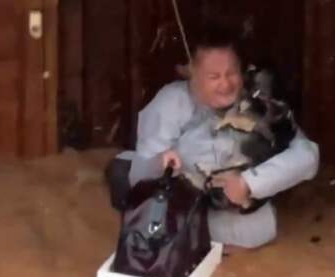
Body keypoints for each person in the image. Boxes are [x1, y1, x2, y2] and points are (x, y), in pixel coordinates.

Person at [115, 27, 319, 249]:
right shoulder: (171, 103)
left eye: (231, 73)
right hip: (178, 204)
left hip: (233, 211)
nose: (226, 84)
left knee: (259, 229)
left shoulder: (258, 103)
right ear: (190, 73)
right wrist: (159, 162)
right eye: (214, 77)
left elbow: (307, 156)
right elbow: (138, 177)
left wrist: (250, 183)